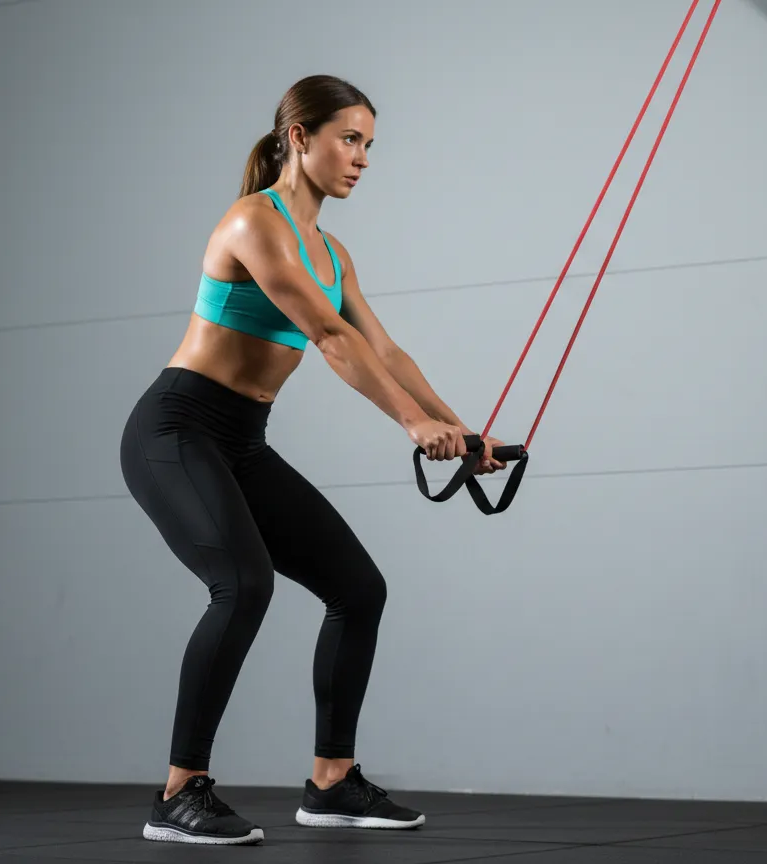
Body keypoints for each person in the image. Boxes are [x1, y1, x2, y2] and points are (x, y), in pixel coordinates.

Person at [120, 74, 509, 846]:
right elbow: (333, 341)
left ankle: (332, 781)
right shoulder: (253, 224)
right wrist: (410, 424)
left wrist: (461, 431)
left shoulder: (332, 253)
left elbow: (382, 348)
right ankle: (178, 792)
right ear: (299, 138)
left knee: (358, 589)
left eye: (369, 144)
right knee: (243, 585)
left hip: (241, 439)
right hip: (176, 429)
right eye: (349, 139)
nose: (362, 158)